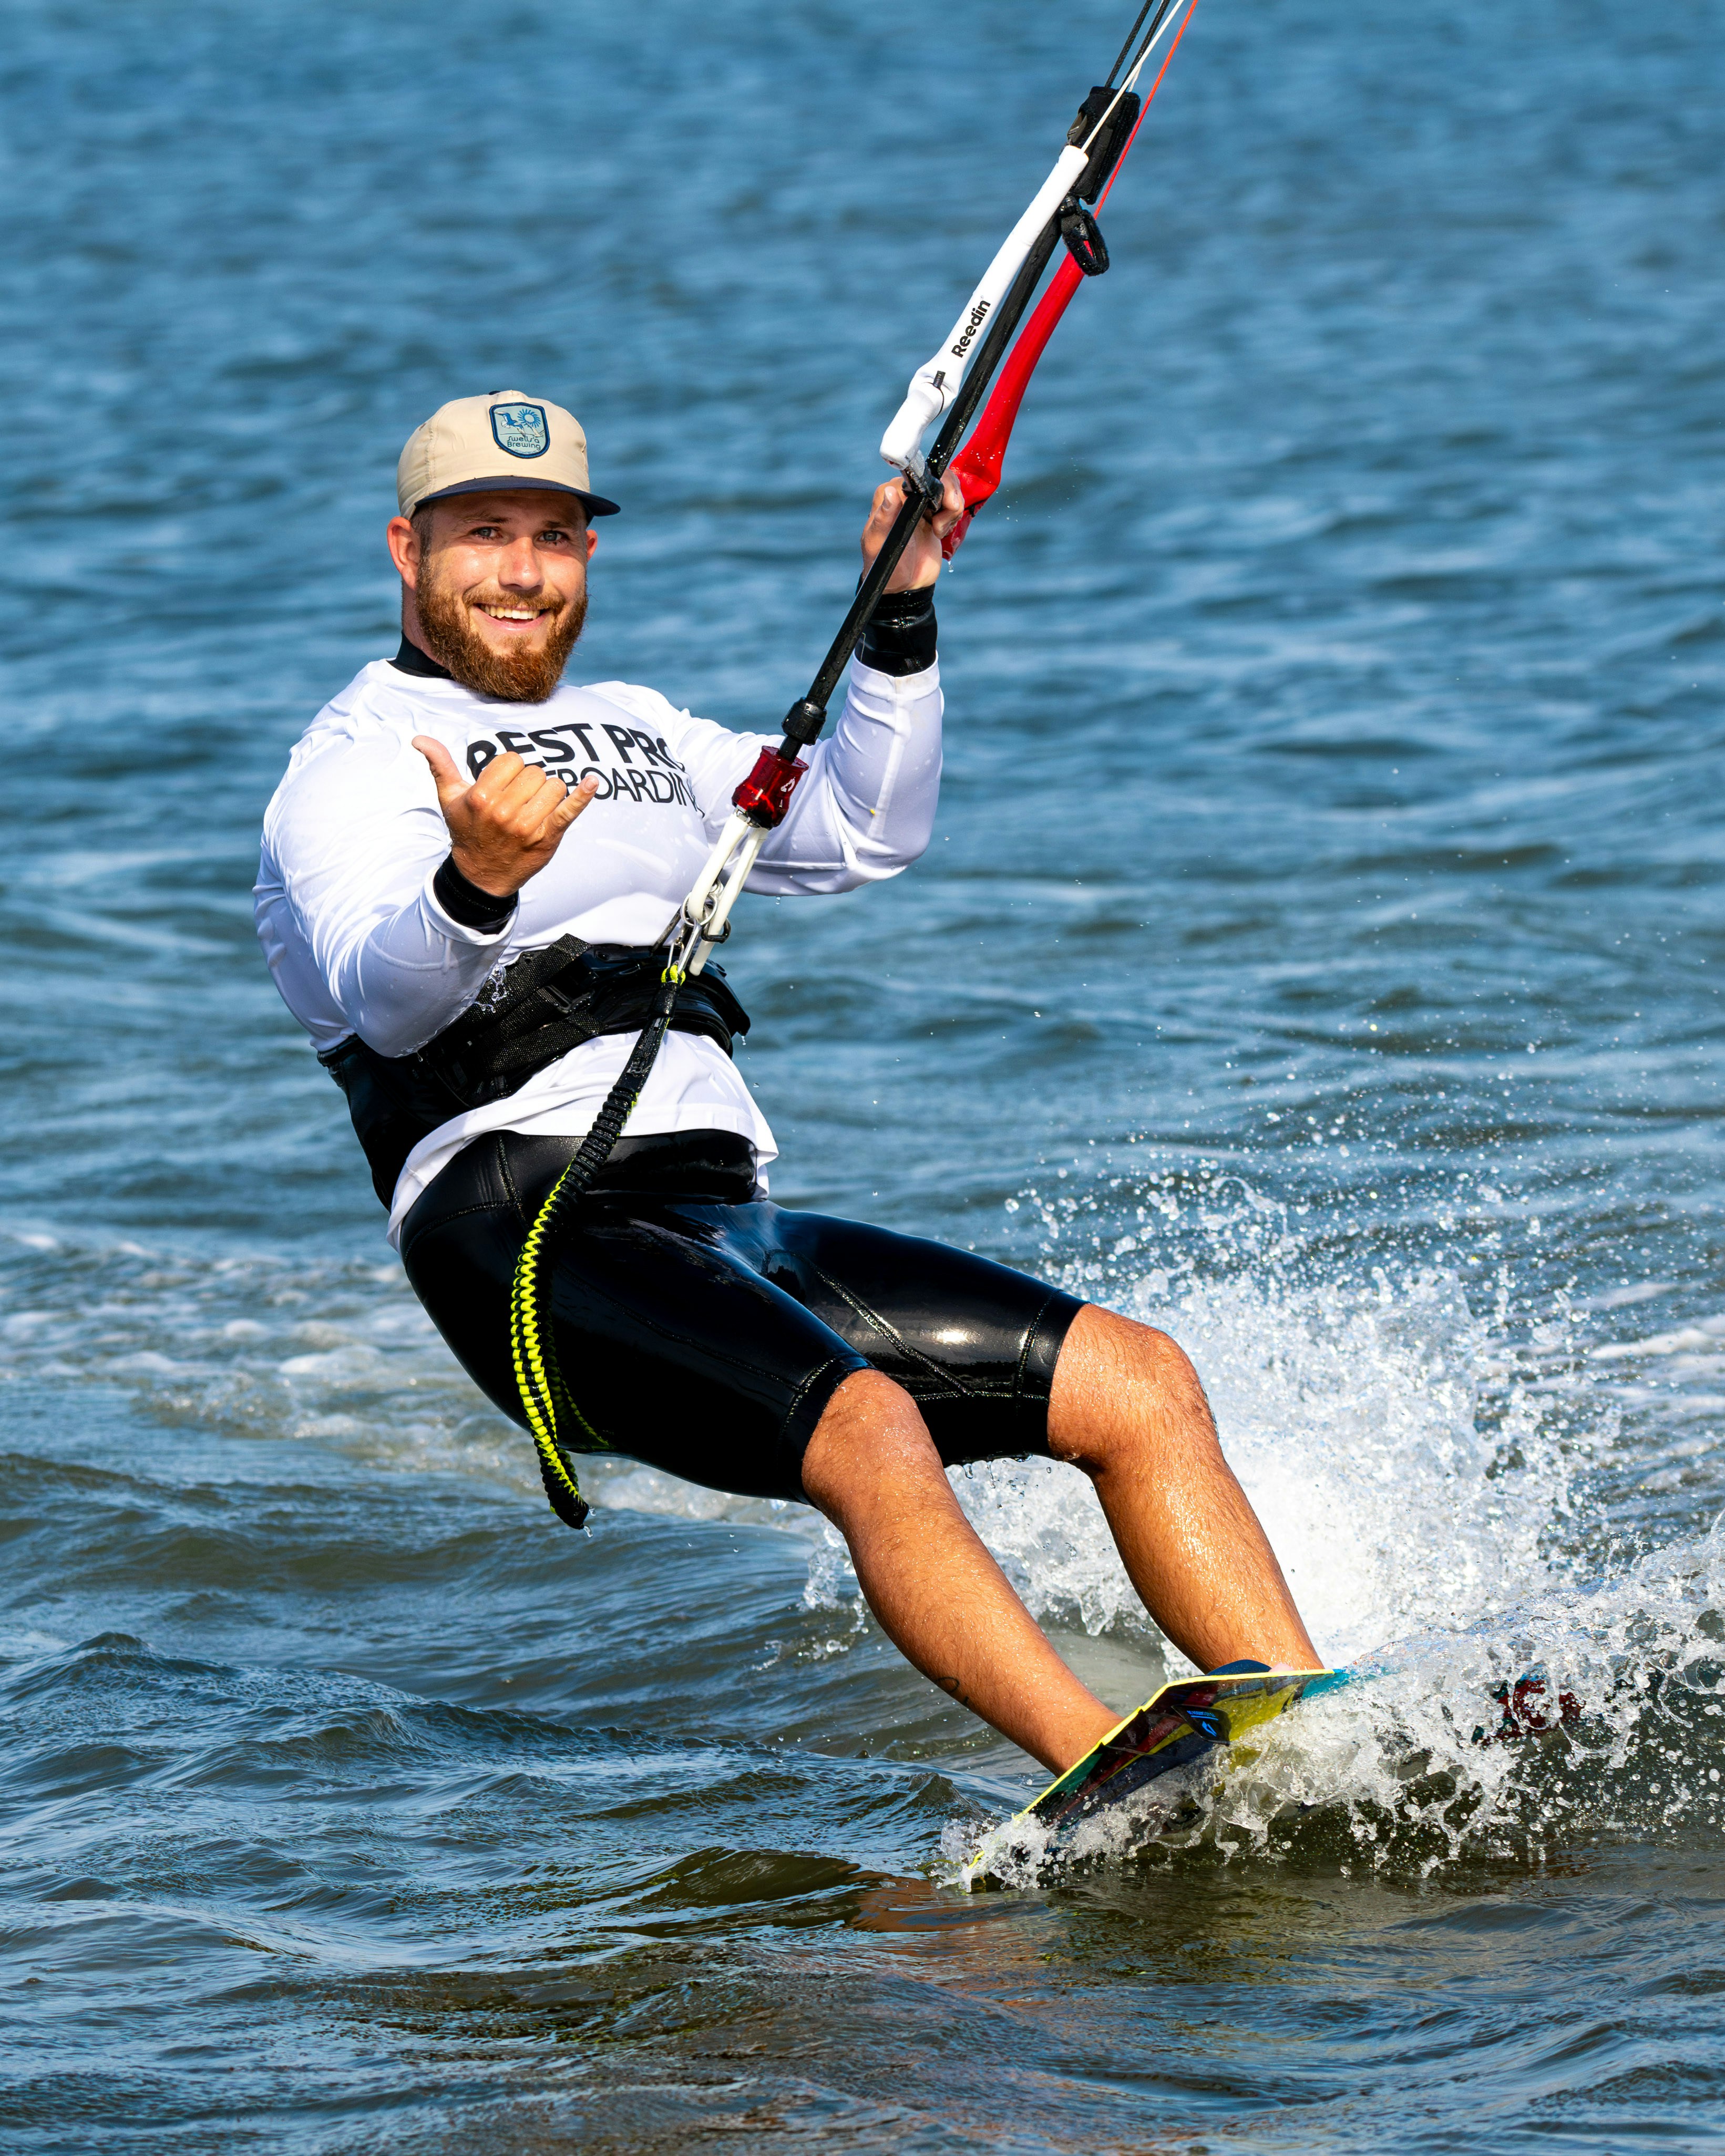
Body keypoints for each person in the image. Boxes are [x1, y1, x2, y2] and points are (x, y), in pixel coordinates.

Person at [256, 390, 1320, 1775]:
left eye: (555, 537)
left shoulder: (638, 729)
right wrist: (474, 882)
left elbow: (859, 830)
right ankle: (1102, 1771)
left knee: (1136, 1381)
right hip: (524, 1225)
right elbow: (379, 1004)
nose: (521, 569)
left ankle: (1306, 1728)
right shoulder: (350, 770)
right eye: (484, 534)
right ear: (409, 551)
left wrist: (900, 614)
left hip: (716, 1211)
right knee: (867, 1427)